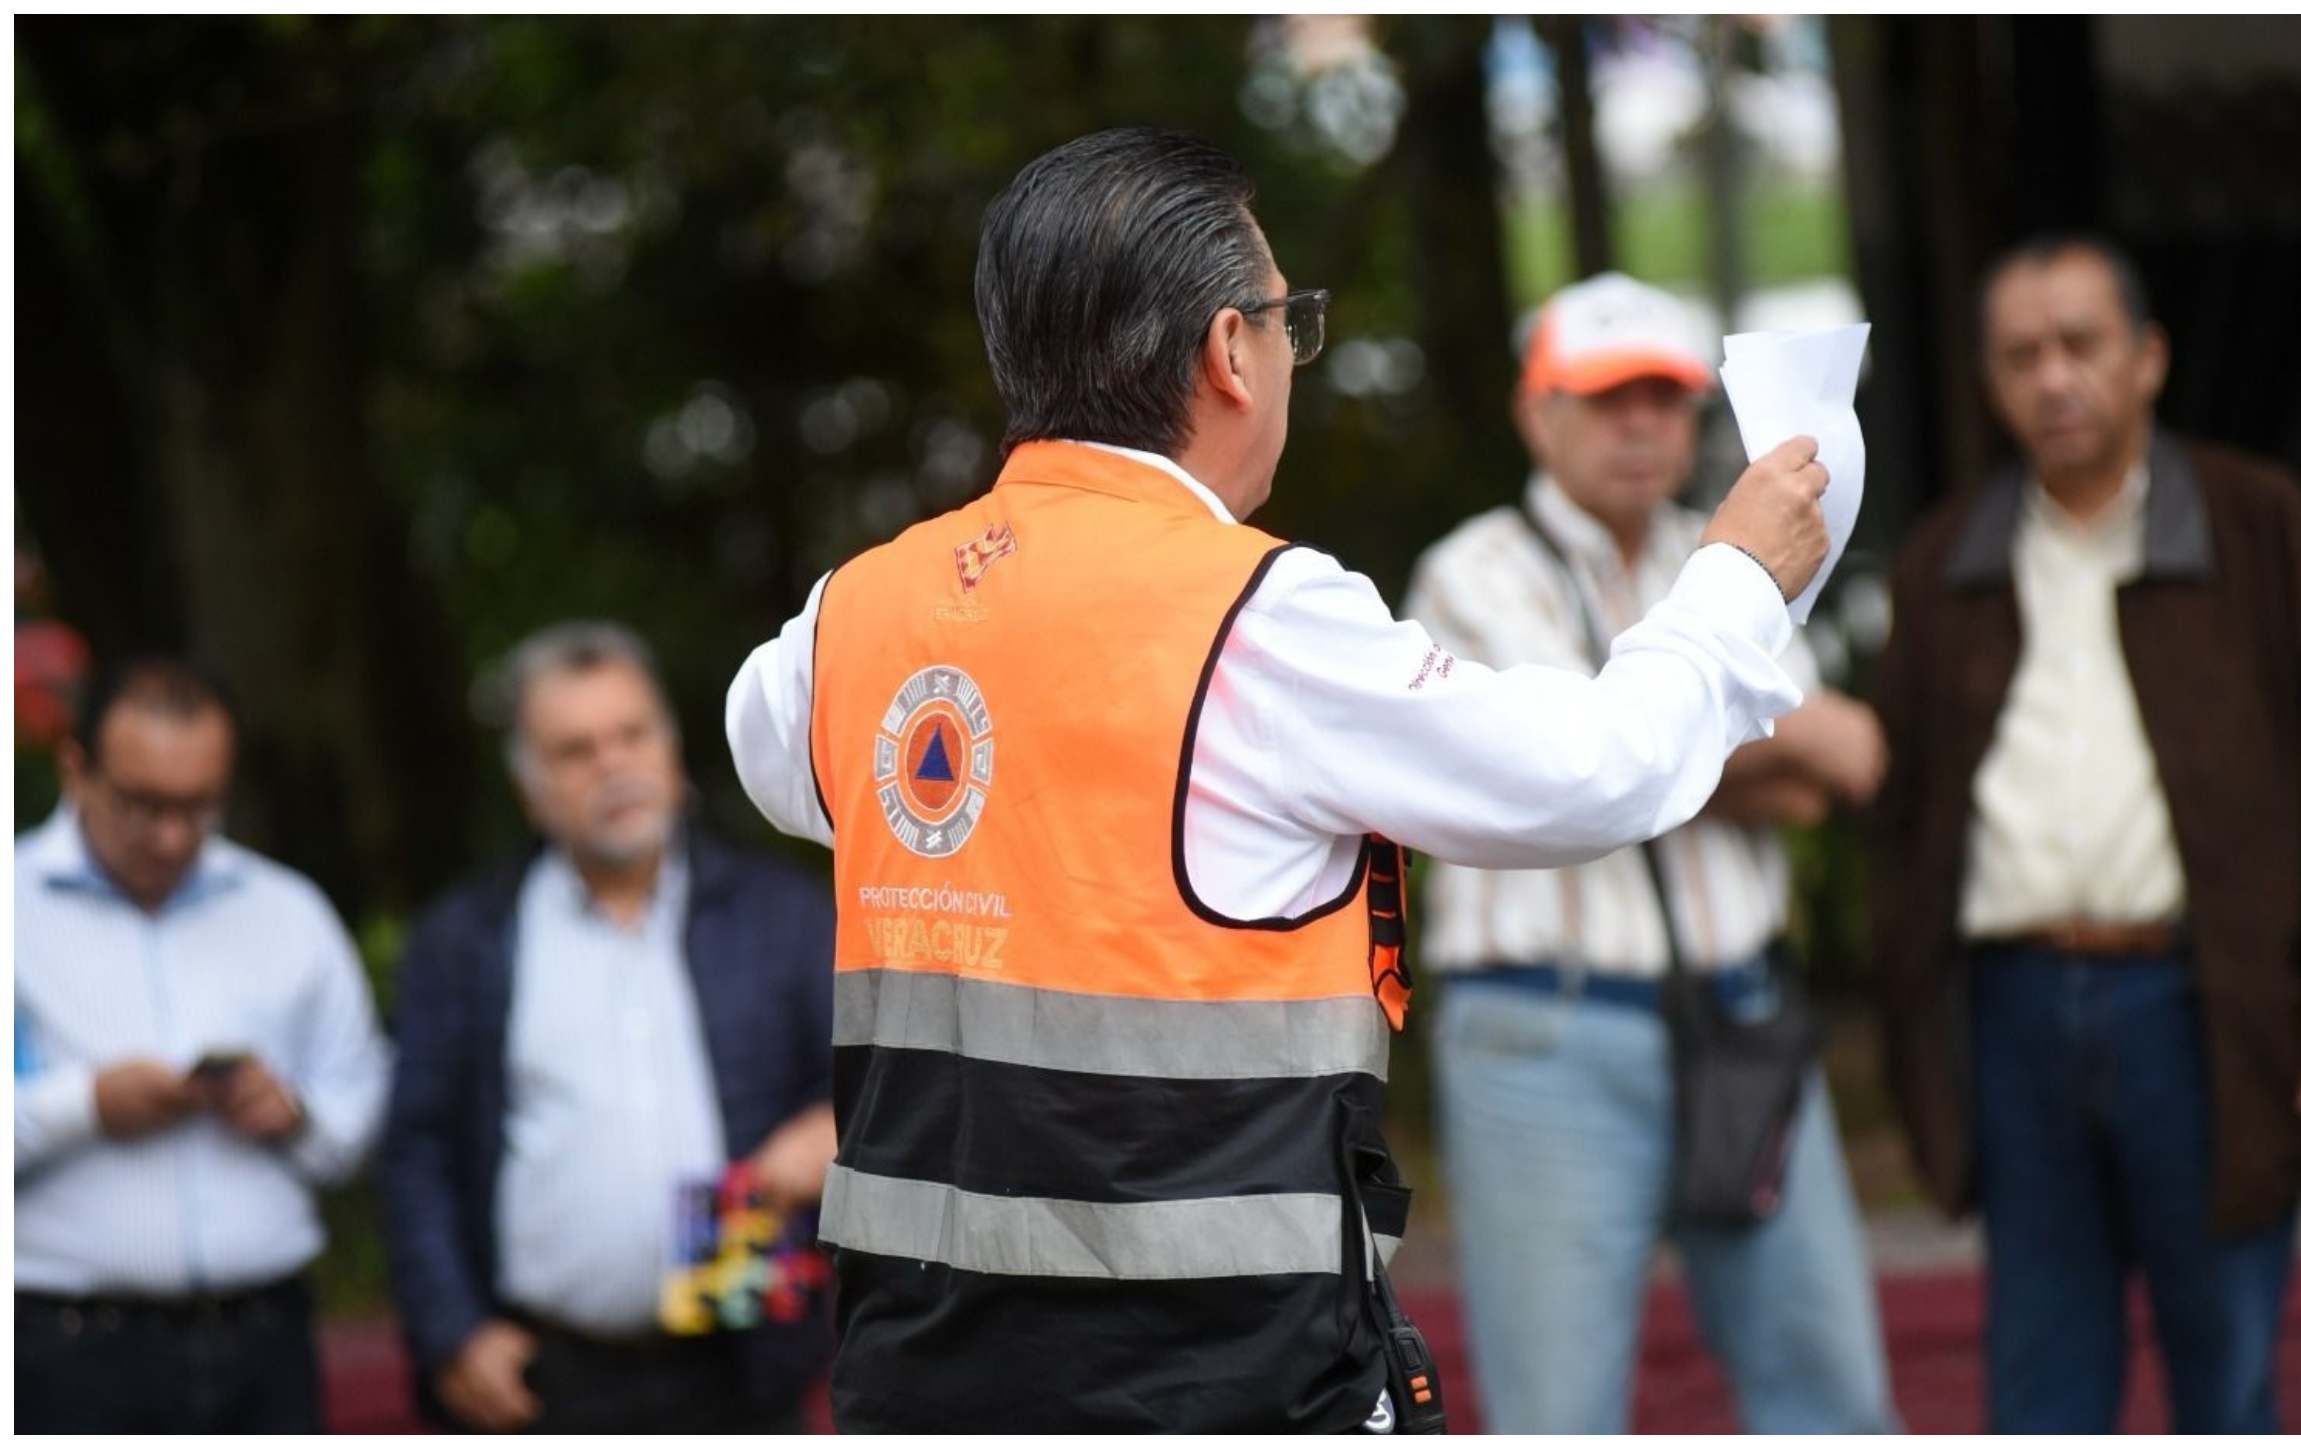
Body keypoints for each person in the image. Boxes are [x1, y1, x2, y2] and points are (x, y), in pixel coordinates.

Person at [724, 126, 1835, 1433]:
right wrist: (1737, 581)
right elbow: (1597, 772)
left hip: (922, 1374)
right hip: (1217, 1368)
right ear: (1228, 352)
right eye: (1284, 319)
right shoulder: (1259, 615)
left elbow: (785, 763)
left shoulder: (851, 618)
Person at [1868, 234, 2301, 1432]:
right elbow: (1903, 826)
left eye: (2082, 344)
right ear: (1989, 383)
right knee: (2040, 1378)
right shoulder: (1946, 563)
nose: (2053, 378)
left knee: (2222, 1368)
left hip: (2198, 1004)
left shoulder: (2257, 525)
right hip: (2009, 1011)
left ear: (2148, 358)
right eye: (2021, 356)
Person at [1402, 272, 1897, 1434]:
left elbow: (1845, 768)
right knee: (1556, 1411)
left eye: (1666, 400)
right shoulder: (1467, 575)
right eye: (1606, 397)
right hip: (1547, 1034)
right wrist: (1707, 740)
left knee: (1831, 1400)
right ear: (1538, 416)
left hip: (1743, 1020)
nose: (1641, 426)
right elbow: (1574, 776)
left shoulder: (1732, 543)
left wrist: (1649, 752)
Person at [378, 621, 838, 1434]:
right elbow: (415, 1149)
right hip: (544, 1375)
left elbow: (877, 1093)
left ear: (670, 746)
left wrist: (830, 1129)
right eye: (576, 749)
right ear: (530, 785)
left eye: (631, 733)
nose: (614, 764)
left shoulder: (779, 916)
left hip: (737, 1360)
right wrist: (452, 1333)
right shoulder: (472, 937)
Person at [14, 657, 391, 1433]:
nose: (170, 835)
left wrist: (292, 1114)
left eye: (199, 806)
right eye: (142, 803)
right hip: (62, 1352)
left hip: (269, 1342)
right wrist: (85, 1106)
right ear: (75, 766)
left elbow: (361, 1107)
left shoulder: (288, 910)